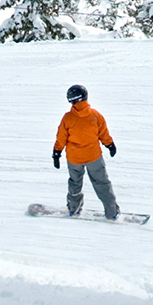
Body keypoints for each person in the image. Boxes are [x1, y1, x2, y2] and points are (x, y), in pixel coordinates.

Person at [52, 84, 120, 220]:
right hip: (93, 157)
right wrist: (110, 145)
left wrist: (57, 153)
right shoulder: (95, 115)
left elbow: (61, 138)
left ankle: (74, 210)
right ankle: (112, 213)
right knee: (102, 183)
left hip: (74, 159)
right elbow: (103, 134)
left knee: (75, 183)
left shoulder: (68, 118)